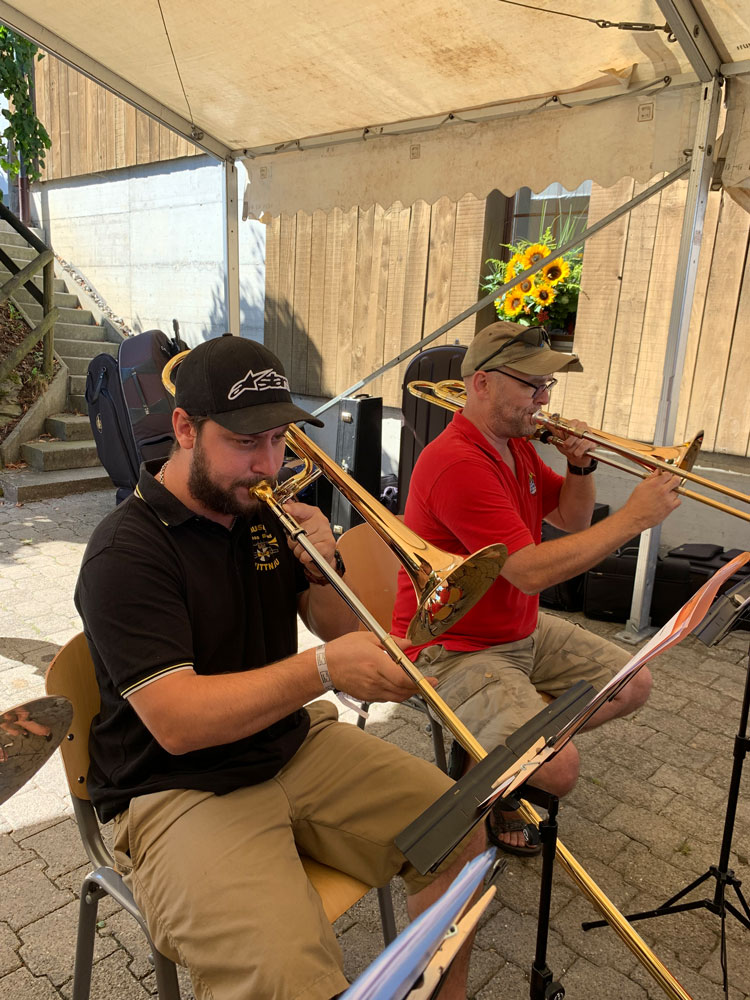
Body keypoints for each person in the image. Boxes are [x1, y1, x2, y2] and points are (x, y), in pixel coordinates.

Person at [74, 334, 484, 1000]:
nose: (268, 464)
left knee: (459, 824)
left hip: (289, 745)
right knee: (287, 975)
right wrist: (323, 670)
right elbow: (178, 723)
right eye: (245, 442)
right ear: (185, 429)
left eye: (278, 439)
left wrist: (324, 568)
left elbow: (336, 627)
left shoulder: (261, 513)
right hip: (174, 787)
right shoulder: (125, 552)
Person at [391, 321, 681, 855]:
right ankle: (499, 776)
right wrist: (635, 518)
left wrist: (580, 466)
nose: (544, 399)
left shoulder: (516, 447)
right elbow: (529, 571)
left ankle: (490, 758)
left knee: (633, 684)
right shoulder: (457, 461)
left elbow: (571, 519)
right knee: (559, 771)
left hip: (518, 628)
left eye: (547, 385)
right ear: (482, 383)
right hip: (455, 646)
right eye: (532, 385)